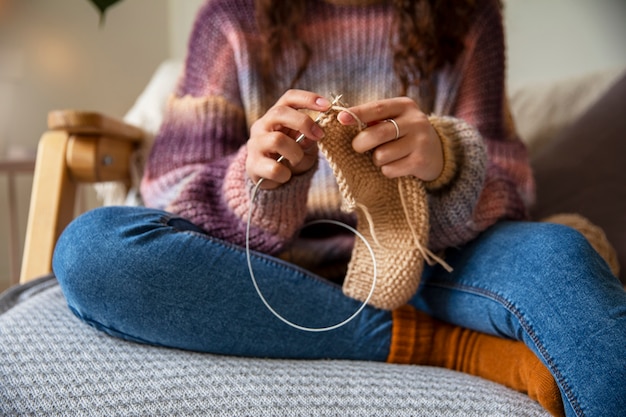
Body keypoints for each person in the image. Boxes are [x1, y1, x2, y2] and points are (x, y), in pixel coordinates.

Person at [52, 1, 626, 416]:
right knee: (92, 250)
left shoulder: (466, 15)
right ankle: (437, 345)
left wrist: (446, 161)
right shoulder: (230, 19)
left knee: (562, 257)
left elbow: (513, 188)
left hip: (433, 261)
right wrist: (255, 179)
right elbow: (168, 188)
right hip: (268, 276)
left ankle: (413, 324)